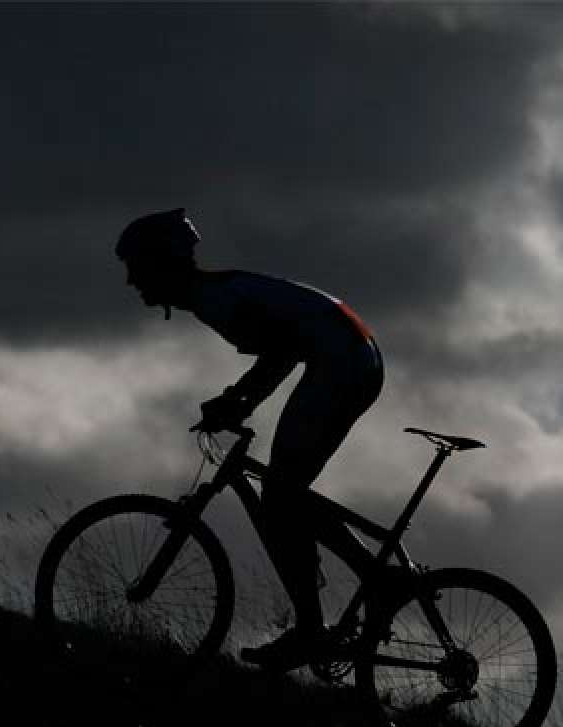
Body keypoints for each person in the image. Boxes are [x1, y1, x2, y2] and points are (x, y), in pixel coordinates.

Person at [116, 207, 385, 671]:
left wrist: (235, 402)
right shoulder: (217, 293)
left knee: (280, 496)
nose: (131, 281)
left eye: (136, 268)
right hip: (351, 355)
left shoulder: (216, 300)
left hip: (341, 361)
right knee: (284, 495)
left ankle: (321, 622)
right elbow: (284, 348)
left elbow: (282, 351)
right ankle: (368, 585)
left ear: (162, 264)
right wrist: (237, 401)